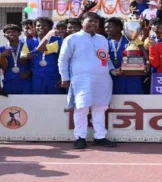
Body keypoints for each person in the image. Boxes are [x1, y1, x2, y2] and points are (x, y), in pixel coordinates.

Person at [58, 12, 118, 149]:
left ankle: (100, 137)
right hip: (81, 80)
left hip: (102, 79)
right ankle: (80, 137)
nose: (93, 24)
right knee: (81, 109)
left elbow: (106, 58)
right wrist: (65, 77)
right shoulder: (72, 39)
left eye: (96, 22)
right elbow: (63, 60)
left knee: (100, 108)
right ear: (82, 22)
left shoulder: (102, 39)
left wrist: (112, 70)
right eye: (90, 21)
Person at [20, 17, 64, 94]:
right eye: (38, 25)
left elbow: (64, 60)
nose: (40, 28)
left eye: (44, 26)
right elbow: (22, 57)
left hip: (54, 78)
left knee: (55, 103)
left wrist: (63, 77)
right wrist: (25, 56)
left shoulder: (58, 40)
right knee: (37, 103)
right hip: (37, 78)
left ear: (50, 28)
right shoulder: (29, 41)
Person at [104, 17, 144, 94]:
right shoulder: (105, 42)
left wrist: (146, 64)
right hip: (115, 77)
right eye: (105, 27)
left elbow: (143, 54)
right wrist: (112, 70)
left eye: (109, 27)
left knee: (135, 100)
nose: (107, 29)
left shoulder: (132, 39)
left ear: (119, 28)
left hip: (132, 77)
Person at [0, 24, 31, 94]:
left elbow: (35, 63)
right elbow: (4, 67)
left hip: (25, 82)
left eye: (14, 31)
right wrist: (2, 55)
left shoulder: (27, 46)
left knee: (28, 104)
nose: (11, 33)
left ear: (19, 33)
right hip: (9, 82)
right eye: (8, 32)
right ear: (4, 35)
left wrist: (28, 73)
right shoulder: (1, 49)